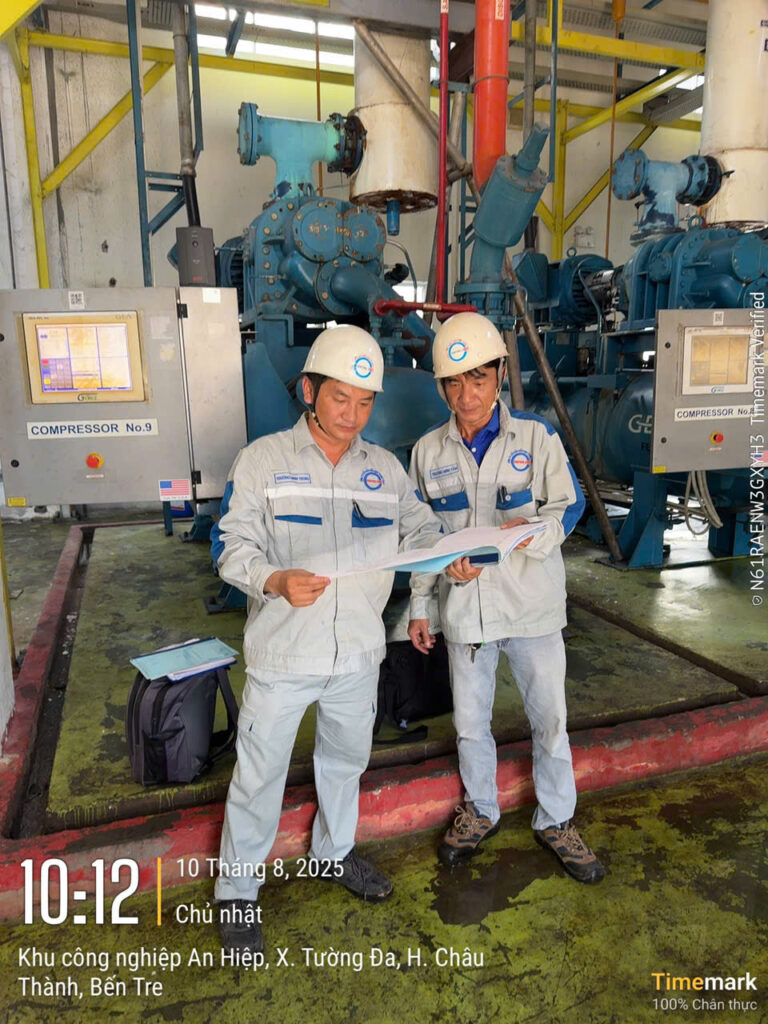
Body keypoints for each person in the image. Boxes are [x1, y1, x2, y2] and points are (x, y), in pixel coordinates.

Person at [213, 325, 444, 953]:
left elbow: (423, 530)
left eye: (365, 402)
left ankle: (333, 853)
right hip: (284, 653)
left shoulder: (385, 470)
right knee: (259, 774)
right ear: (310, 391)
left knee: (344, 764)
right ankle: (237, 891)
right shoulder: (264, 461)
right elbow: (231, 546)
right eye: (341, 398)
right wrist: (273, 579)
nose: (353, 414)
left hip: (358, 654)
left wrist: (451, 553)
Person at [407, 312, 605, 884]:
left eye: (477, 378)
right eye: (452, 382)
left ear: (498, 373)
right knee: (470, 722)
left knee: (550, 719)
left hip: (530, 605)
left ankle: (557, 819)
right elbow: (421, 536)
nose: (466, 395)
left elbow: (568, 506)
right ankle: (481, 809)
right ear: (441, 387)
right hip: (465, 611)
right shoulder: (427, 452)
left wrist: (525, 534)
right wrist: (421, 603)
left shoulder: (537, 438)